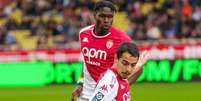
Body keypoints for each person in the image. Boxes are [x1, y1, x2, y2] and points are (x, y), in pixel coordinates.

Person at [71, 1, 147, 101]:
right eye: (102, 16)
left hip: (107, 96)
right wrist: (80, 83)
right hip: (84, 96)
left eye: (110, 16)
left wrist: (119, 87)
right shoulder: (83, 33)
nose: (106, 20)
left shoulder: (122, 39)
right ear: (94, 15)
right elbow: (86, 63)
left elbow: (138, 67)